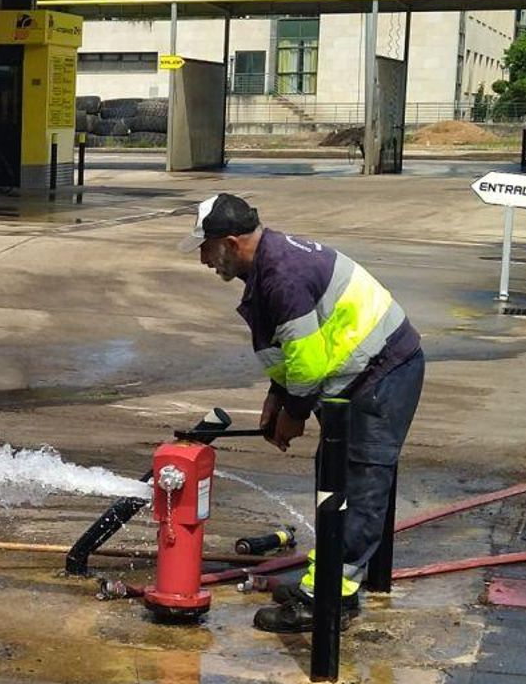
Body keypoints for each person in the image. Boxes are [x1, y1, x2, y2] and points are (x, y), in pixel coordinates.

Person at [178, 194, 425, 634]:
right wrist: (278, 395)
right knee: (337, 478)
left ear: (231, 244)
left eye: (206, 248)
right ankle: (328, 578)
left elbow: (308, 366)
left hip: (383, 374)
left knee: (359, 480)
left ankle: (328, 600)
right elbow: (297, 347)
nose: (202, 260)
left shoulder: (282, 276)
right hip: (360, 377)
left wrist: (293, 413)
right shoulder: (272, 265)